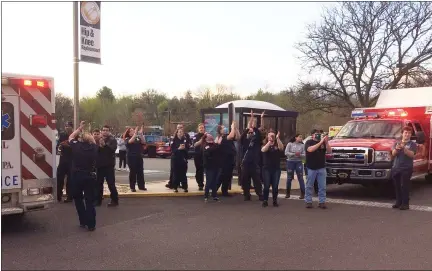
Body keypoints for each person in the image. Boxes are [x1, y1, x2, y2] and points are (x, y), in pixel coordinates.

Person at [68, 121, 98, 231]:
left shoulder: (76, 146)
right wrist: (90, 137)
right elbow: (94, 142)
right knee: (89, 200)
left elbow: (71, 136)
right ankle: (91, 224)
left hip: (77, 176)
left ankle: (83, 221)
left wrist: (79, 129)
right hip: (89, 176)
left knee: (78, 199)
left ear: (81, 139)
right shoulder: (94, 148)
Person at [240, 110, 264, 201]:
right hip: (245, 162)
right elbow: (243, 135)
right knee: (245, 179)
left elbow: (260, 129)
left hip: (254, 162)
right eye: (248, 133)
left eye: (251, 133)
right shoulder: (244, 139)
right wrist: (250, 120)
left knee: (256, 179)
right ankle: (247, 194)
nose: (250, 133)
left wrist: (256, 118)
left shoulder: (257, 138)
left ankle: (260, 194)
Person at [391, 126, 417, 210]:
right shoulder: (396, 143)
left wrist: (405, 149)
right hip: (396, 167)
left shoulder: (412, 144)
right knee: (397, 186)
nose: (407, 134)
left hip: (406, 168)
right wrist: (396, 149)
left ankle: (405, 204)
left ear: (411, 134)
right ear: (402, 134)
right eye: (405, 132)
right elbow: (393, 154)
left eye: (409, 133)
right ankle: (398, 202)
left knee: (404, 186)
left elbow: (412, 155)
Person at [304, 129, 331, 209]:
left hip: (321, 167)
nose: (318, 135)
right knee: (309, 185)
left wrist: (326, 142)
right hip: (311, 167)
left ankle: (322, 202)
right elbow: (310, 149)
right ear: (312, 135)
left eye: (319, 134)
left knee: (322, 186)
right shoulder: (309, 142)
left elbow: (329, 151)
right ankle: (308, 201)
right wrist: (320, 142)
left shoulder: (323, 143)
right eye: (316, 134)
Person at [93, 125, 119, 207]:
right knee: (98, 184)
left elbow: (112, 149)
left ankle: (115, 200)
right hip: (99, 165)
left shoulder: (112, 140)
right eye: (103, 130)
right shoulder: (97, 140)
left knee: (111, 184)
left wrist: (105, 145)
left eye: (106, 130)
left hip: (109, 166)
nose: (105, 131)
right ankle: (98, 200)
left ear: (109, 131)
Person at [261, 130, 284, 207]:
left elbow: (281, 148)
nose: (272, 137)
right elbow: (263, 150)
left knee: (275, 186)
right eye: (270, 135)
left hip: (276, 168)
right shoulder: (265, 144)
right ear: (267, 136)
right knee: (266, 186)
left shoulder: (277, 144)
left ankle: (274, 200)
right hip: (266, 168)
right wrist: (269, 142)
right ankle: (265, 200)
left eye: (273, 136)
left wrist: (277, 138)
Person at [217, 121, 240, 197]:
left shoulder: (227, 136)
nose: (225, 129)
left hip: (230, 160)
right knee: (222, 176)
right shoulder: (221, 137)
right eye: (223, 128)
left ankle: (225, 191)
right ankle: (214, 189)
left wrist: (235, 128)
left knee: (228, 176)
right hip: (224, 160)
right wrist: (232, 127)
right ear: (220, 131)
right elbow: (232, 135)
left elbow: (237, 137)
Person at [166, 123, 191, 189]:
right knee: (174, 172)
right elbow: (172, 148)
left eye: (181, 127)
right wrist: (178, 149)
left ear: (183, 128)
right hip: (175, 157)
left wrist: (185, 148)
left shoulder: (186, 136)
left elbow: (189, 146)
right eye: (178, 127)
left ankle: (183, 185)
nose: (179, 129)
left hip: (183, 157)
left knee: (183, 172)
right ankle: (172, 184)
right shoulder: (173, 137)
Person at [124, 126, 147, 192]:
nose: (133, 131)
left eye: (133, 130)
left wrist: (141, 134)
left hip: (139, 157)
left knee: (140, 172)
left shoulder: (137, 138)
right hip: (131, 157)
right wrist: (136, 133)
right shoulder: (127, 138)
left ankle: (141, 186)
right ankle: (132, 187)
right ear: (129, 133)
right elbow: (130, 142)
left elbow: (143, 142)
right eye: (131, 130)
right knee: (133, 172)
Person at [56, 121, 74, 203]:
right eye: (66, 126)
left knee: (70, 180)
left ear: (72, 127)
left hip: (72, 160)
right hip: (62, 160)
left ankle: (69, 196)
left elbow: (77, 147)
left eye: (68, 126)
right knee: (60, 178)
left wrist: (68, 145)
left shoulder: (75, 135)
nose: (67, 128)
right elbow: (58, 145)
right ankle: (58, 196)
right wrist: (60, 145)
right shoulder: (62, 135)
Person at [285, 134, 306, 199]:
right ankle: (288, 193)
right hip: (290, 162)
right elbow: (286, 153)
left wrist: (300, 155)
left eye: (301, 137)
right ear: (295, 137)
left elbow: (305, 154)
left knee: (300, 178)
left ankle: (303, 193)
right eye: (299, 137)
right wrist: (294, 154)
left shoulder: (302, 145)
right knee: (289, 178)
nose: (301, 138)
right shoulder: (290, 144)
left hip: (298, 162)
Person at [202, 133, 223, 202]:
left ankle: (214, 195)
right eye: (209, 135)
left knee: (214, 181)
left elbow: (218, 150)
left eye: (211, 135)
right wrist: (217, 144)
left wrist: (217, 144)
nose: (211, 136)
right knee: (209, 181)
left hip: (216, 165)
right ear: (206, 138)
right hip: (209, 166)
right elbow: (208, 151)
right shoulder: (206, 145)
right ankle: (206, 196)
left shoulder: (214, 144)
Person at [171, 128, 190, 192]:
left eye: (182, 132)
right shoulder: (173, 141)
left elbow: (188, 150)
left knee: (183, 174)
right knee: (176, 174)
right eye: (179, 132)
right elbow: (172, 151)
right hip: (176, 159)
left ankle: (185, 187)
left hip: (183, 160)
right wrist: (178, 148)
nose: (181, 133)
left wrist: (184, 149)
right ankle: (175, 187)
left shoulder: (185, 141)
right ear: (177, 133)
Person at [192, 123, 206, 191]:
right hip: (198, 155)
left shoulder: (207, 136)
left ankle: (204, 184)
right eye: (200, 128)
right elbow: (195, 144)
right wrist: (201, 140)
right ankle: (200, 184)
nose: (201, 129)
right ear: (198, 129)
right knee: (199, 170)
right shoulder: (195, 136)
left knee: (204, 170)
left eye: (202, 128)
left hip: (205, 155)